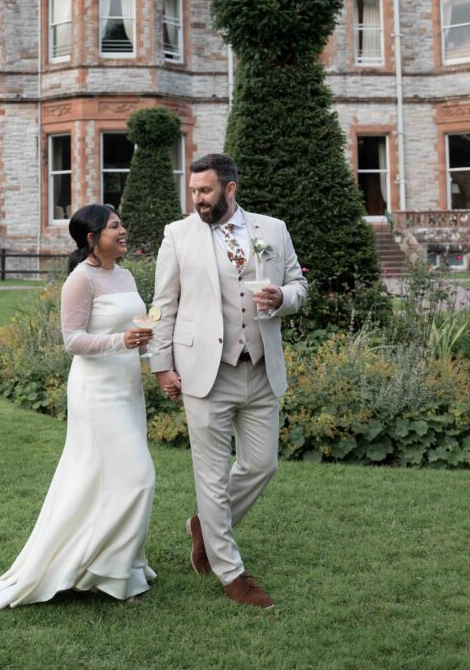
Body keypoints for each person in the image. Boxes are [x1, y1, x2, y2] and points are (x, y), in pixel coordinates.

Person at [148, 153, 307, 610]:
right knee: (212, 477)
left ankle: (205, 526)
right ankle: (231, 573)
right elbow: (163, 304)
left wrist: (282, 297)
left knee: (262, 465)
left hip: (260, 368)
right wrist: (161, 364)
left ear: (230, 189)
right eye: (193, 191)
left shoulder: (272, 229)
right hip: (205, 371)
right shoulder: (178, 235)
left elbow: (298, 284)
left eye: (205, 191)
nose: (197, 199)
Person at [0, 204, 156, 607]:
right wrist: (121, 341)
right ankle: (111, 572)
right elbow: (73, 340)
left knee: (106, 479)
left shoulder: (126, 275)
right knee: (139, 477)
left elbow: (134, 331)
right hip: (97, 392)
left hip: (127, 387)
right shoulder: (80, 279)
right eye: (114, 226)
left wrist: (152, 356)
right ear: (92, 238)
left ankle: (113, 567)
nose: (123, 230)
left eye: (121, 224)